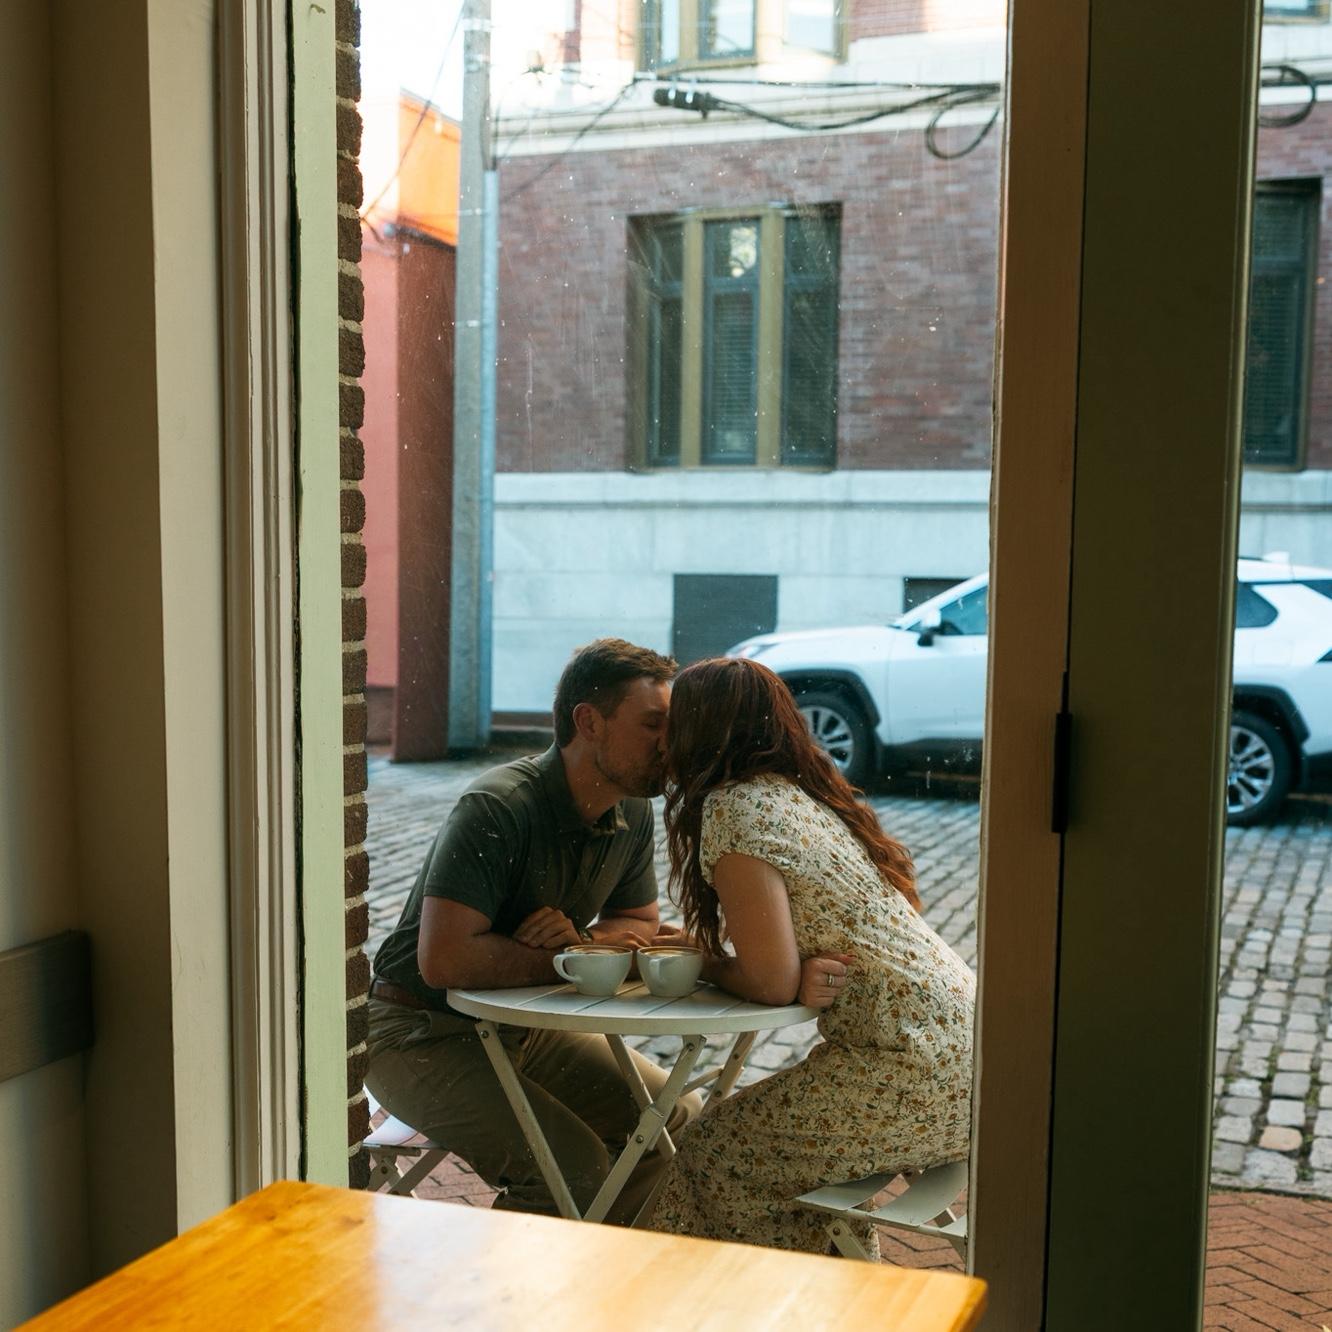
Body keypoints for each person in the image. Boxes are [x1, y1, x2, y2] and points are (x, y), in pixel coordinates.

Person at [647, 656, 976, 1254]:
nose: (662, 740)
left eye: (672, 724)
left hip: (916, 1068)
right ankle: (842, 1282)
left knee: (716, 1151)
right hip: (970, 1059)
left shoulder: (734, 809)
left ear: (699, 731)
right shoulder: (799, 798)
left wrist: (705, 960)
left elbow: (770, 983)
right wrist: (789, 968)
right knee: (783, 1159)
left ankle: (774, 1294)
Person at [365, 638, 692, 1224]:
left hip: (523, 1029)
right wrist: (575, 957)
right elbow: (444, 961)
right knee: (573, 1171)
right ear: (589, 722)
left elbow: (639, 923)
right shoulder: (498, 806)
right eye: (652, 725)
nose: (670, 743)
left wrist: (581, 946)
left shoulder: (631, 808)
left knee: (675, 1119)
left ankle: (601, 1270)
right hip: (418, 1033)